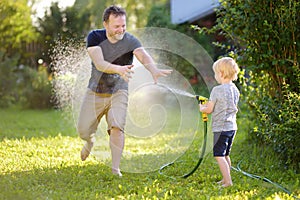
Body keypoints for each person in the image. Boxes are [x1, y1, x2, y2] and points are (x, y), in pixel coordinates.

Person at [77, 5, 172, 177]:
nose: (121, 30)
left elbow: (143, 55)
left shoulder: (130, 40)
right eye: (116, 26)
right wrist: (119, 69)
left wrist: (153, 70)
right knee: (83, 130)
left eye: (123, 26)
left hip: (119, 92)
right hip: (95, 92)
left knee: (117, 127)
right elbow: (99, 63)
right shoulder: (95, 37)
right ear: (106, 24)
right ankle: (89, 142)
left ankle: (115, 169)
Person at [199, 57, 240, 187]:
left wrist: (202, 108)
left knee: (219, 155)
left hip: (220, 128)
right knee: (226, 154)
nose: (215, 76)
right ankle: (226, 178)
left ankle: (228, 182)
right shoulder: (235, 89)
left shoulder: (217, 90)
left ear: (221, 73)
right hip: (231, 127)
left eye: (216, 73)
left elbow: (209, 109)